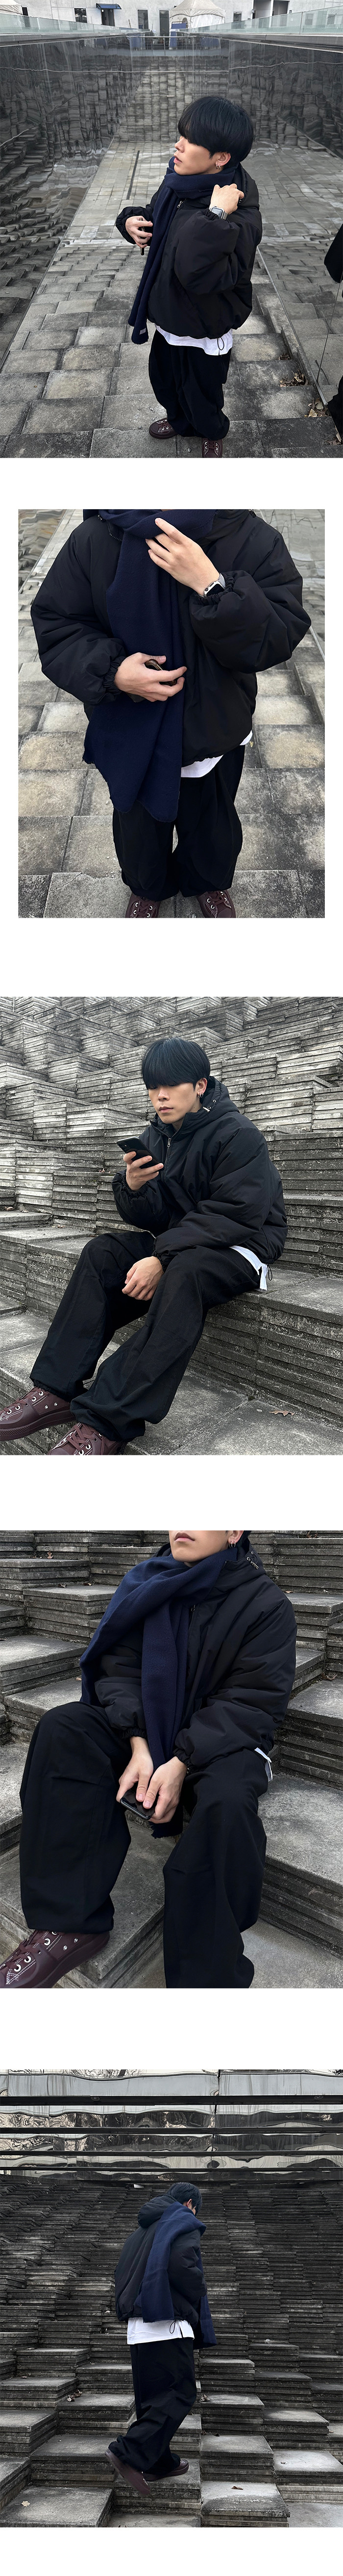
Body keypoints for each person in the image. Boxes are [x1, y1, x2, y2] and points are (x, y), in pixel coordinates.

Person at [0, 1527, 296, 1990]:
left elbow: (253, 1701)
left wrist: (180, 1762)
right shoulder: (149, 1583)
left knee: (227, 1803)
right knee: (65, 1729)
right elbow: (118, 1666)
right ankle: (69, 1924)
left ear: (234, 1530)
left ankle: (205, 1979)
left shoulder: (266, 1604)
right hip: (150, 1728)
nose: (181, 1525)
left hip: (221, 1741)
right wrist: (139, 1743)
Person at [0, 1035, 289, 1458]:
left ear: (201, 1086)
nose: (160, 1096)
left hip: (243, 1245)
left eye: (171, 1086)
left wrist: (162, 1257)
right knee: (102, 1253)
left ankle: (108, 1420)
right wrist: (133, 1188)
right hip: (184, 1240)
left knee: (186, 1272)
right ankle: (55, 1390)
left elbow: (236, 1214)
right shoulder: (156, 1135)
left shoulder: (239, 1135)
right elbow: (155, 1217)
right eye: (153, 1087)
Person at [29, 510, 311, 919]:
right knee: (138, 828)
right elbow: (58, 623)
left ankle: (208, 882)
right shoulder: (96, 537)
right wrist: (113, 672)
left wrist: (211, 585)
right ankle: (147, 888)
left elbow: (277, 636)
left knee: (212, 822)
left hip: (215, 726)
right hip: (131, 727)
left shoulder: (251, 535)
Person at [115, 94, 263, 456]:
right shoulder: (179, 183)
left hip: (205, 322)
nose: (178, 146)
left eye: (190, 140)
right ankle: (179, 420)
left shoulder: (240, 212)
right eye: (181, 135)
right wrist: (131, 222)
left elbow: (199, 274)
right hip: (169, 314)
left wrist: (215, 216)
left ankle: (211, 431)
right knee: (165, 380)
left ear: (220, 158)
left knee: (203, 391)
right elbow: (156, 217)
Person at [107, 2179, 215, 2496]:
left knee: (153, 2399)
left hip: (139, 2326)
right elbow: (183, 2264)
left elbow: (121, 2274)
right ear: (190, 2205)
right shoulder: (182, 2220)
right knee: (180, 2393)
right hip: (168, 2321)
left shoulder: (139, 2232)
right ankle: (128, 2451)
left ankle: (159, 2462)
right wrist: (199, 2289)